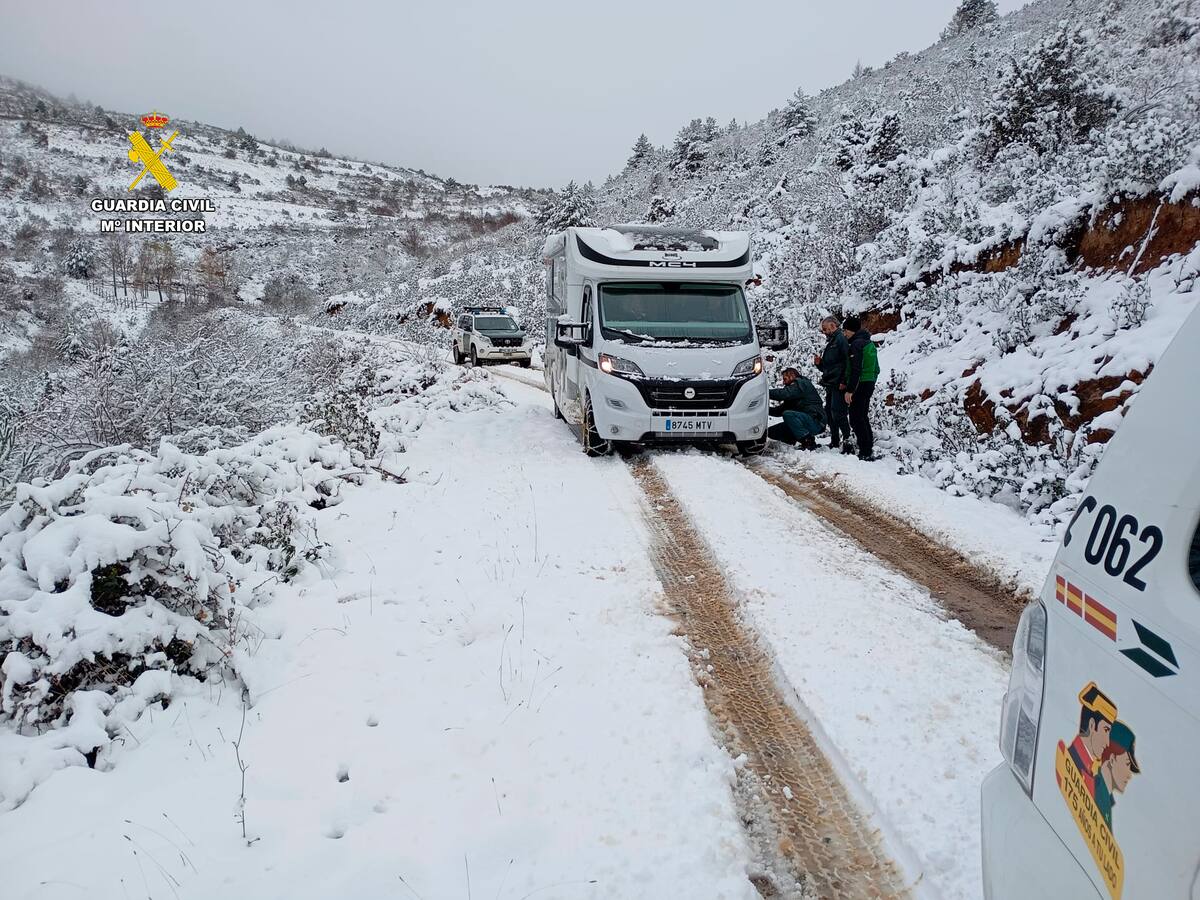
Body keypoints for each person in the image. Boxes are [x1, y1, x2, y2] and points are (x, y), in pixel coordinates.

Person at [1069, 682, 1117, 798]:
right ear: (1091, 725)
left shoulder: (1091, 768)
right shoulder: (1075, 762)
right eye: (1106, 730)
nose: (1107, 743)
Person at [842, 316, 880, 461]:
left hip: (860, 383)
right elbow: (876, 368)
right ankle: (867, 448)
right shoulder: (868, 343)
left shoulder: (856, 345)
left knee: (856, 418)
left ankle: (865, 451)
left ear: (851, 330)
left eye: (845, 331)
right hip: (869, 382)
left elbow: (856, 369)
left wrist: (850, 390)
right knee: (863, 416)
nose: (844, 334)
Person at [1093, 720, 1139, 830]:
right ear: (1112, 759)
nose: (1129, 775)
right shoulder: (1097, 793)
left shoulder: (1106, 799)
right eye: (1127, 764)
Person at [814, 316, 850, 451]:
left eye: (825, 329)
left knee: (838, 412)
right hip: (830, 383)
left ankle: (848, 441)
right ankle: (835, 441)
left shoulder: (840, 340)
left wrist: (844, 381)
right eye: (823, 330)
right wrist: (819, 364)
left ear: (833, 326)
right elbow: (830, 366)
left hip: (838, 383)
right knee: (829, 412)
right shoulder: (832, 342)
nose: (824, 332)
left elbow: (847, 361)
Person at [768, 367, 826, 450]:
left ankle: (808, 441)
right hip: (805, 420)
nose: (783, 382)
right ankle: (791, 441)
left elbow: (783, 394)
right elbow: (779, 411)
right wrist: (765, 409)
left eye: (785, 379)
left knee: (788, 415)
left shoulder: (801, 383)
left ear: (792, 375)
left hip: (815, 421)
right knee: (771, 432)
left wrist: (765, 392)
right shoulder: (794, 392)